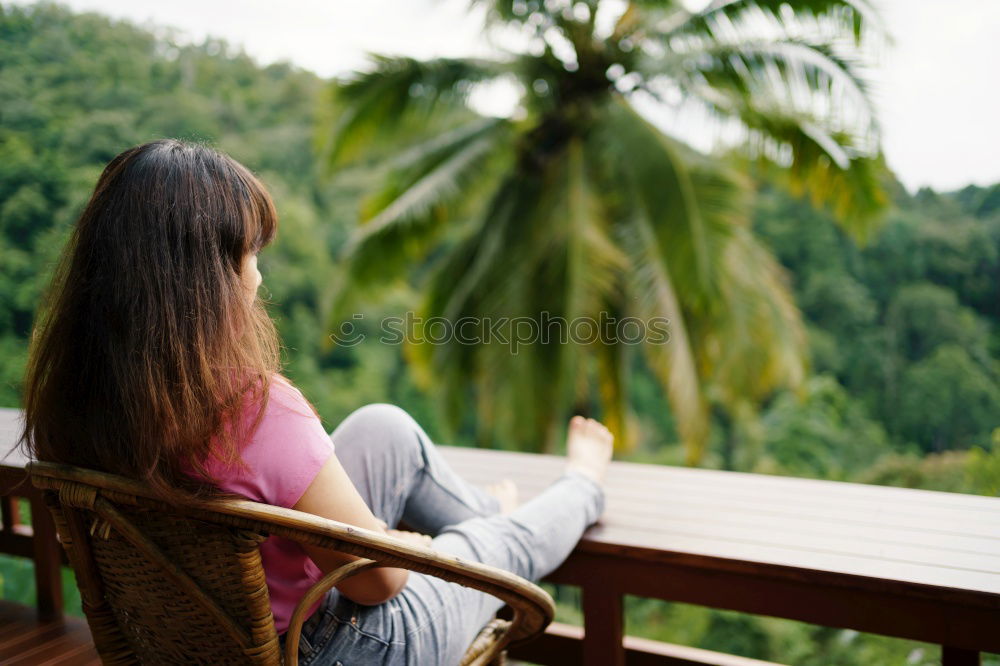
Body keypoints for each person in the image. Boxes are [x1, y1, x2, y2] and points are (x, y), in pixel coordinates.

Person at [21, 139, 612, 665]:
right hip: (337, 646)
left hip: (187, 642)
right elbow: (378, 586)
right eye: (249, 255)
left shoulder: (66, 407)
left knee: (385, 428)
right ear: (207, 279)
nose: (257, 279)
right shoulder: (252, 410)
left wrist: (383, 538)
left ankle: (485, 508)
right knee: (490, 545)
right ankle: (580, 485)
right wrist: (401, 545)